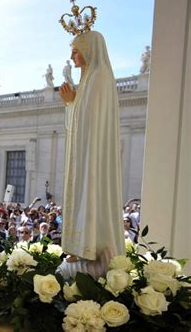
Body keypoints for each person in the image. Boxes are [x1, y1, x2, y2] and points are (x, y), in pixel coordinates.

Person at [58, 30, 124, 278]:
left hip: (92, 155)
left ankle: (89, 247)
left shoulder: (100, 77)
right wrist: (72, 102)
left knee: (90, 191)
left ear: (89, 50)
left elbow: (89, 120)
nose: (72, 56)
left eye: (76, 50)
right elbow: (81, 118)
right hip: (85, 152)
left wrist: (72, 103)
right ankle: (79, 247)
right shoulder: (89, 79)